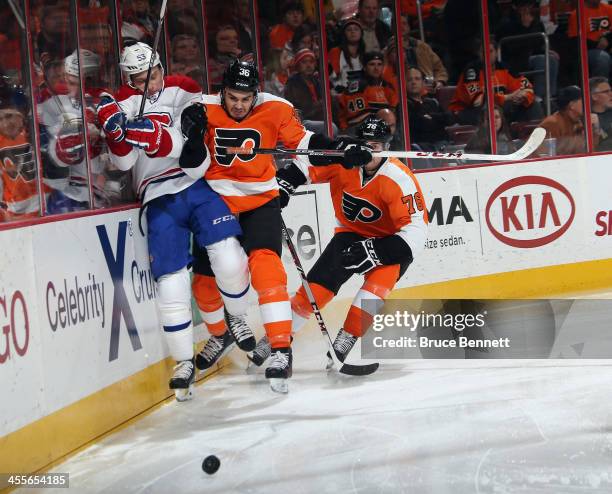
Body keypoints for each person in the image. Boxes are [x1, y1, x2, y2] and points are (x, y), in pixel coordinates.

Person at [179, 60, 373, 393]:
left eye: (246, 98)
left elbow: (304, 145)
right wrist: (194, 136)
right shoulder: (202, 109)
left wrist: (341, 150)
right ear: (221, 92)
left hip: (259, 200)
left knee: (267, 268)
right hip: (215, 202)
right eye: (232, 97)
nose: (239, 105)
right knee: (204, 281)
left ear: (256, 94)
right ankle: (218, 334)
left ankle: (281, 349)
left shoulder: (277, 108)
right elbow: (190, 168)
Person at [97, 42, 254, 401]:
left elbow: (191, 148)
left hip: (194, 183)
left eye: (153, 76)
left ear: (161, 69)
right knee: (171, 282)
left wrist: (149, 136)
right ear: (127, 78)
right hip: (156, 195)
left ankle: (238, 317)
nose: (150, 85)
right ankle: (183, 360)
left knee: (228, 256)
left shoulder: (183, 87)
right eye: (140, 80)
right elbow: (122, 164)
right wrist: (116, 133)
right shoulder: (119, 103)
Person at [247, 116, 428, 368]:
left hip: (390, 243)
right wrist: (286, 183)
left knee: (373, 292)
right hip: (350, 234)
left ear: (386, 147)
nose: (369, 151)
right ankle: (275, 339)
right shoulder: (343, 161)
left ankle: (346, 339)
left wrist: (376, 250)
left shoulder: (400, 178)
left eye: (376, 146)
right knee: (314, 292)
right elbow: (305, 166)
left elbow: (417, 232)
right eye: (364, 144)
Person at [449, 38, 543, 125]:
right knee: (499, 109)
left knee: (534, 105)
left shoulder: (506, 68)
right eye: (483, 52)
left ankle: (537, 139)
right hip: (468, 112)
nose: (487, 55)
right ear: (479, 53)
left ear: (497, 52)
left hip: (497, 109)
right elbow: (477, 102)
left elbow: (527, 88)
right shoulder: (471, 72)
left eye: (490, 51)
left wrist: (522, 96)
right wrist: (508, 97)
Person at [0, 84, 45, 221]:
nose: (6, 123)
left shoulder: (37, 134)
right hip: (16, 214)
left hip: (46, 208)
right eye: (0, 119)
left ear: (23, 114)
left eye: (9, 116)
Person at [337, 51, 398, 132]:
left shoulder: (388, 87)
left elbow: (393, 113)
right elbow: (357, 119)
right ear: (365, 67)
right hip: (357, 130)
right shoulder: (358, 87)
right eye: (372, 64)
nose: (376, 68)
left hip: (381, 130)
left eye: (379, 64)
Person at [538, 85, 600, 155]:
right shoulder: (552, 123)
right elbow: (546, 152)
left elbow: (592, 149)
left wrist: (594, 127)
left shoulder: (579, 121)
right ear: (571, 105)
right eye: (583, 100)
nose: (588, 103)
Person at [406, 66, 451, 151]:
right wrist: (437, 119)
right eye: (409, 80)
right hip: (421, 148)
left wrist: (432, 117)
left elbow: (449, 119)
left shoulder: (432, 102)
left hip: (443, 144)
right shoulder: (403, 106)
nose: (413, 82)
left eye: (417, 79)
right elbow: (420, 125)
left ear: (423, 82)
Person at [283, 48, 324, 121]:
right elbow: (304, 110)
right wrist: (321, 104)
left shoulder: (317, 80)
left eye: (311, 62)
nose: (308, 65)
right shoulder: (293, 83)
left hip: (319, 118)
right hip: (303, 121)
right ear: (298, 65)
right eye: (304, 62)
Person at [589, 76, 612, 151]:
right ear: (594, 96)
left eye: (610, 90)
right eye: (606, 92)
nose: (611, 94)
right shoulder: (587, 118)